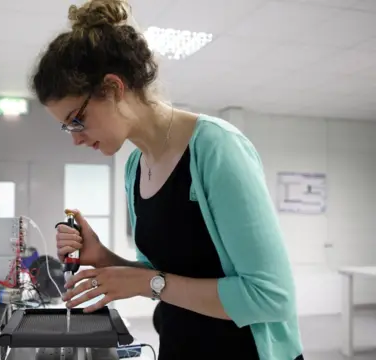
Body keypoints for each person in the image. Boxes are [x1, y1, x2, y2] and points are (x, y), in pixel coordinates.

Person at [30, 0, 303, 359]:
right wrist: (102, 257)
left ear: (113, 89)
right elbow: (164, 278)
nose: (76, 138)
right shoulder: (135, 168)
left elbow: (271, 297)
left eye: (76, 121)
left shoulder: (216, 148)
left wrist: (147, 282)